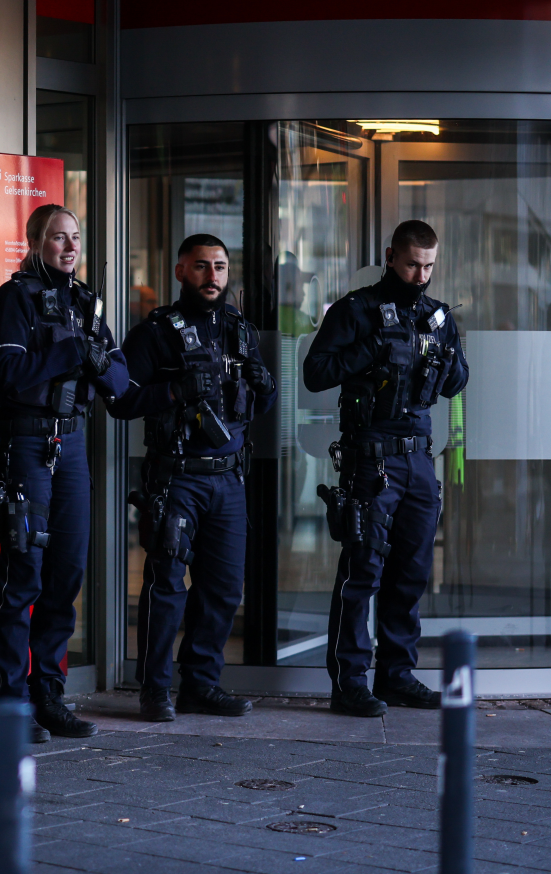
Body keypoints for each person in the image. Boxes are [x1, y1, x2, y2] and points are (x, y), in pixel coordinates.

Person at [303, 220, 468, 717]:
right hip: (372, 457)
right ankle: (350, 681)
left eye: (429, 266)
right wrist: (375, 347)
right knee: (363, 570)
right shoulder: (358, 309)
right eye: (413, 264)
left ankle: (396, 674)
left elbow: (456, 384)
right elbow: (316, 373)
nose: (421, 275)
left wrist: (447, 351)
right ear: (391, 255)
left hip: (419, 457)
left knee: (411, 571)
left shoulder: (438, 317)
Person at [110, 234, 277, 722]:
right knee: (168, 586)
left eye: (220, 267)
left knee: (223, 587)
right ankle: (155, 689)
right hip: (177, 478)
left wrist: (264, 387)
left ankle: (201, 685)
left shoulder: (239, 330)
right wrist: (173, 390)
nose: (213, 276)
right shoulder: (155, 333)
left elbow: (257, 407)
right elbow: (120, 401)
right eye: (201, 267)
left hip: (228, 480)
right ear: (181, 271)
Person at [0, 204, 128, 741]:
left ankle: (50, 694)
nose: (69, 247)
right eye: (57, 237)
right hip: (28, 440)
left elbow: (119, 376)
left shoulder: (87, 301)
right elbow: (6, 376)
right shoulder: (15, 298)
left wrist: (95, 360)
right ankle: (14, 705)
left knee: (65, 575)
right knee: (25, 573)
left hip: (72, 444)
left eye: (74, 237)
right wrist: (69, 352)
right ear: (34, 242)